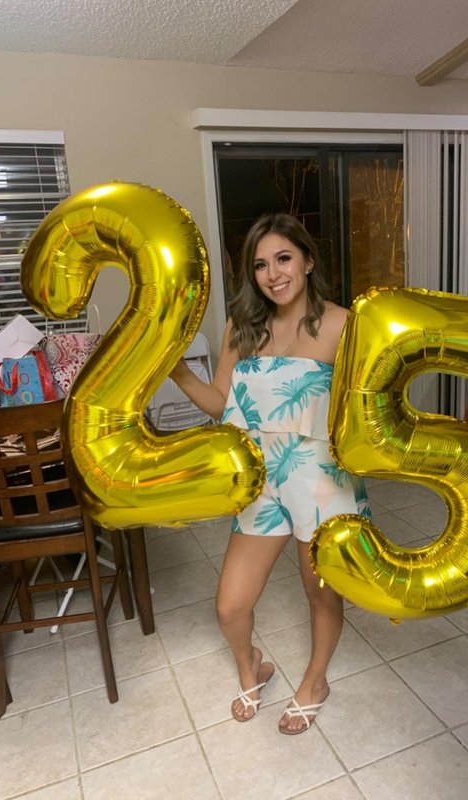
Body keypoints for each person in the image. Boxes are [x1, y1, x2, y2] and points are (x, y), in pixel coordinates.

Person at [169, 212, 370, 735]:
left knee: (320, 593)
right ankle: (250, 667)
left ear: (308, 260)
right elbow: (222, 404)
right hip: (262, 479)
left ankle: (315, 682)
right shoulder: (243, 326)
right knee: (230, 606)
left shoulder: (344, 325)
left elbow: (363, 412)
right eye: (261, 265)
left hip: (321, 480)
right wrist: (179, 371)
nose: (273, 274)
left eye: (283, 258)